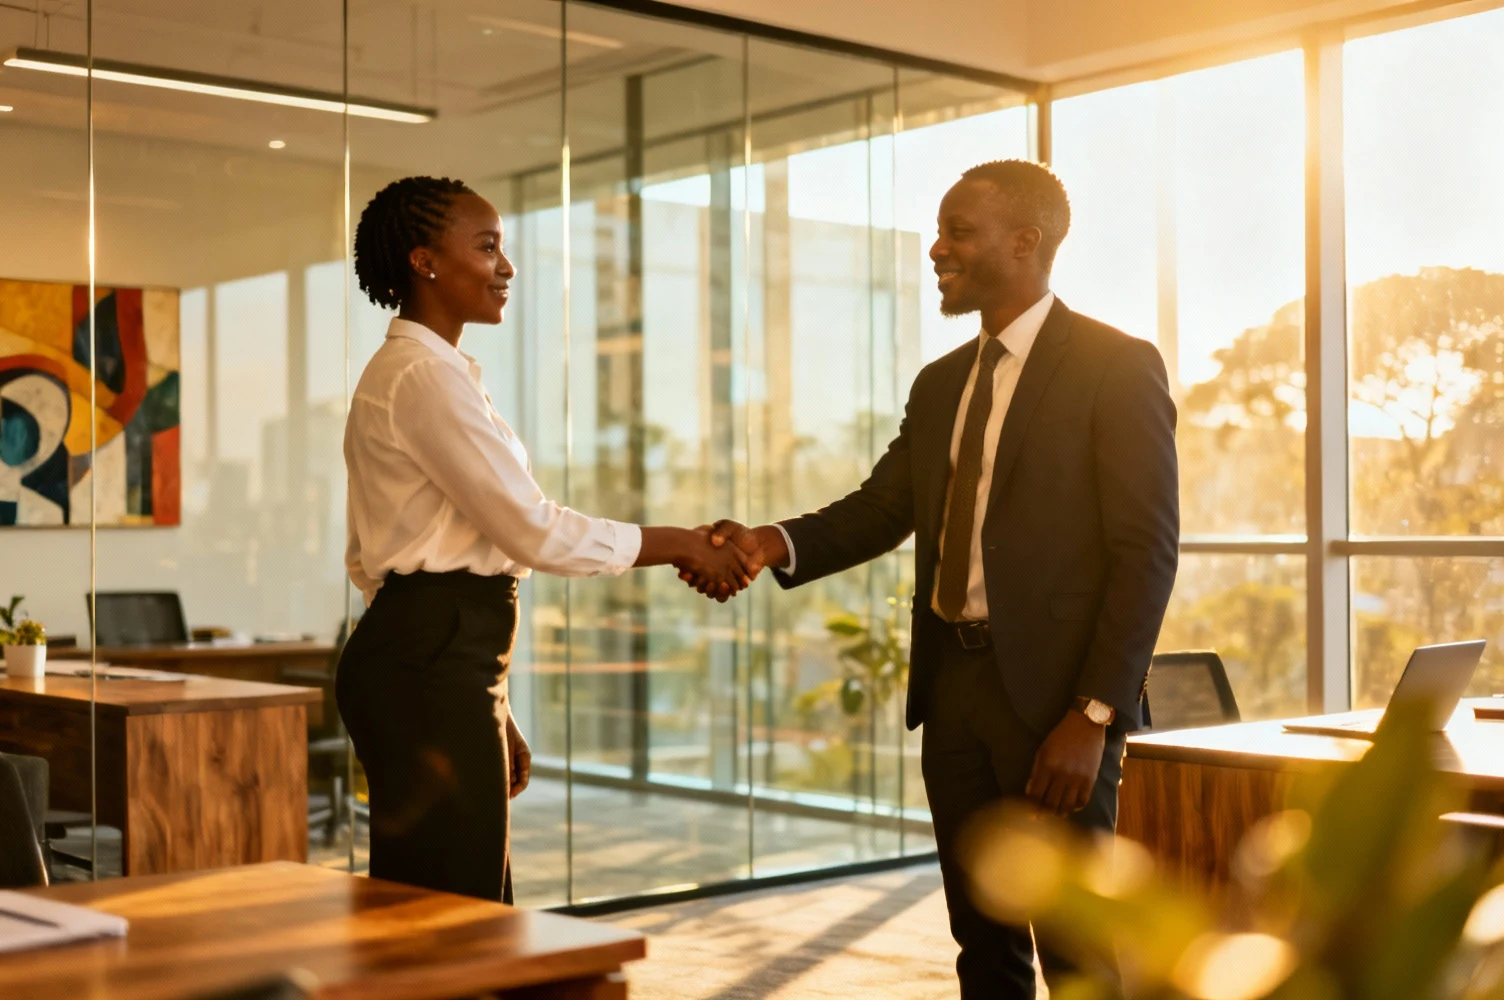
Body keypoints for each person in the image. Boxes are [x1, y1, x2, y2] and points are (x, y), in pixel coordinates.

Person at [685, 160, 1179, 997]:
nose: (937, 249)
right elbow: (883, 508)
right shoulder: (943, 381)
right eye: (940, 232)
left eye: (959, 232)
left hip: (1058, 704)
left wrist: (1094, 713)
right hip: (952, 690)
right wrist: (769, 542)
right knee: (981, 941)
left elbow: (1147, 551)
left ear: (1023, 243)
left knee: (1078, 954)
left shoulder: (1116, 365)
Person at [339, 175, 754, 903]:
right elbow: (532, 531)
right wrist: (684, 545)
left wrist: (495, 707)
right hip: (428, 663)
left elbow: (382, 569)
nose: (506, 266)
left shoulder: (430, 374)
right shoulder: (421, 378)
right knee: (454, 911)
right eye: (487, 247)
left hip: (435, 660)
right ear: (424, 261)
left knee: (451, 900)